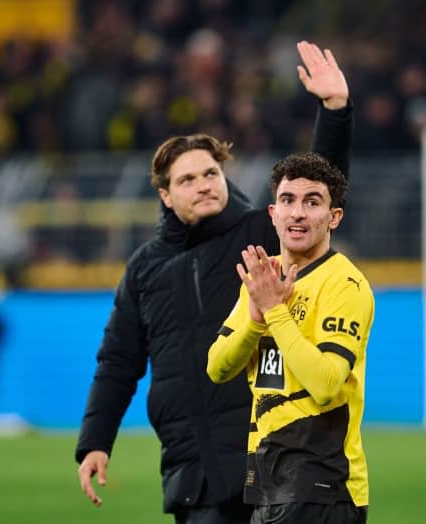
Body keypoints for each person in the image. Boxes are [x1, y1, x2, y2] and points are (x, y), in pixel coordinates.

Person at [75, 40, 352, 524]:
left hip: (267, 458)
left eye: (210, 172)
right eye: (187, 180)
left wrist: (333, 110)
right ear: (165, 194)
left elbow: (317, 186)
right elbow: (118, 362)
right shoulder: (144, 268)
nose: (204, 183)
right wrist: (95, 442)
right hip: (191, 472)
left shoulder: (263, 234)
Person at [207, 152, 374, 524]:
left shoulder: (343, 284)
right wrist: (254, 319)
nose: (297, 212)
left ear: (334, 218)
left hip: (323, 486)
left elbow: (327, 384)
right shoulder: (263, 279)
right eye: (288, 200)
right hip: (270, 481)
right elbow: (216, 368)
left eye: (312, 202)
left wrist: (275, 313)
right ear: (273, 213)